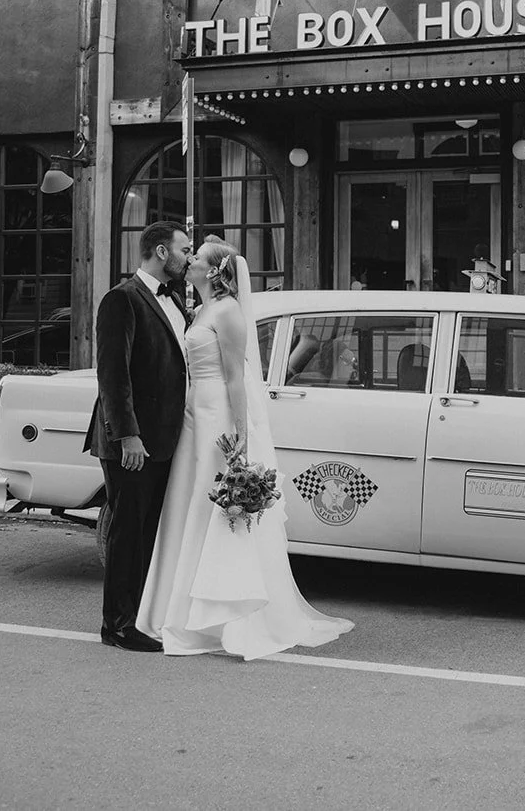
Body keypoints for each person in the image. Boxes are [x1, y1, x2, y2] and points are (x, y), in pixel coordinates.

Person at [136, 236, 353, 659]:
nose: (189, 260)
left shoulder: (229, 312)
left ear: (214, 272)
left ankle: (224, 617)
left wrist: (241, 437)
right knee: (188, 505)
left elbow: (237, 376)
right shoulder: (200, 310)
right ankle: (179, 607)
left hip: (217, 414)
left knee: (213, 508)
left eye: (196, 257)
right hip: (192, 415)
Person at [87, 220, 193, 652]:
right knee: (127, 533)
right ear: (162, 252)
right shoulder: (121, 299)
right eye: (184, 249)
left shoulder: (175, 300)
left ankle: (139, 616)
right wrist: (127, 436)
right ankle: (116, 626)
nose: (189, 256)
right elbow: (113, 377)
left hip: (166, 439)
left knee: (148, 531)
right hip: (132, 443)